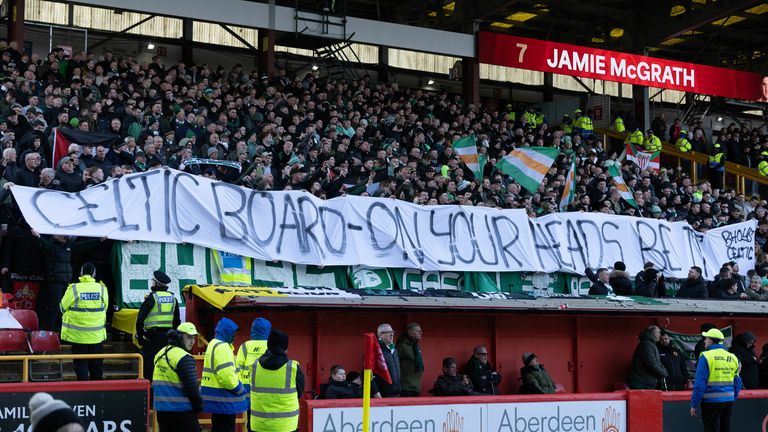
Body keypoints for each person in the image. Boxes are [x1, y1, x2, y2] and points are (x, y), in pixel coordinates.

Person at [60, 262, 108, 381]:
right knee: (97, 366)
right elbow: (105, 307)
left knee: (80, 365)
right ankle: (97, 393)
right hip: (96, 336)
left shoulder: (74, 288)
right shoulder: (102, 288)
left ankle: (84, 390)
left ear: (81, 273)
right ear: (94, 274)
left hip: (78, 336)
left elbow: (62, 307)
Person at [250, 329, 304, 432]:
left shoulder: (255, 365)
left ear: (268, 345)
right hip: (285, 426)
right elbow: (299, 393)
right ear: (285, 347)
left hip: (259, 425)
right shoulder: (293, 368)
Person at [153, 323, 204, 432]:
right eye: (189, 337)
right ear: (180, 337)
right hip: (182, 412)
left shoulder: (159, 354)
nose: (193, 342)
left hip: (162, 412)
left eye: (194, 338)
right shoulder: (184, 358)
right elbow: (192, 388)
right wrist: (199, 406)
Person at [691, 328, 742, 432]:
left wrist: (694, 404)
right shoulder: (732, 357)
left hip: (711, 402)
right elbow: (737, 382)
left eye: (706, 338)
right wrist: (733, 397)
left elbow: (699, 384)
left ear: (711, 340)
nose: (704, 341)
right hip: (728, 401)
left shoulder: (706, 356)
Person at [201, 317, 247, 432]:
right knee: (226, 427)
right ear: (226, 331)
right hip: (225, 398)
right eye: (233, 333)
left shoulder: (213, 344)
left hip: (216, 397)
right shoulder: (223, 347)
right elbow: (226, 376)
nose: (235, 336)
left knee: (217, 425)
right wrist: (239, 389)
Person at [135, 270, 180, 381]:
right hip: (167, 339)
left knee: (149, 368)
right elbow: (176, 322)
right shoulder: (173, 299)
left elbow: (140, 320)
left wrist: (141, 338)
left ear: (155, 283)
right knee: (164, 367)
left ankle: (149, 392)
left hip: (152, 340)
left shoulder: (152, 298)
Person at [235, 317, 271, 393]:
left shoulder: (245, 346)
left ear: (253, 329)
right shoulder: (271, 346)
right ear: (268, 330)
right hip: (265, 385)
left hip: (246, 386)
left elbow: (238, 367)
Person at [627, 325, 668, 389]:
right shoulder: (647, 345)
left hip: (645, 383)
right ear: (654, 333)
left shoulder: (649, 344)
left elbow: (657, 362)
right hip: (641, 384)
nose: (660, 335)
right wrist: (664, 373)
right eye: (659, 332)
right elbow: (652, 364)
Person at [396, 322, 424, 397]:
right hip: (405, 387)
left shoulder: (415, 347)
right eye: (418, 331)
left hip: (416, 386)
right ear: (410, 332)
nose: (421, 333)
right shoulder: (402, 346)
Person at [374, 323, 401, 397]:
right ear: (380, 335)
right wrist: (375, 391)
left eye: (392, 332)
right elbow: (368, 373)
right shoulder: (375, 350)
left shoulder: (394, 349)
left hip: (396, 393)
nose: (392, 334)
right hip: (382, 394)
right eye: (389, 332)